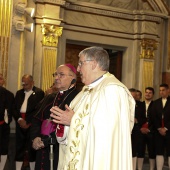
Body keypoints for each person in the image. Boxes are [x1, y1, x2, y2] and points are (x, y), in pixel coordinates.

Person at [50, 46, 135, 170]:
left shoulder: (112, 89)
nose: (78, 69)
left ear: (94, 64)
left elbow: (109, 130)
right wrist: (64, 124)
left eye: (80, 64)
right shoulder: (85, 91)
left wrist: (73, 120)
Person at [30, 64, 79, 170]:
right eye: (55, 74)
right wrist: (35, 138)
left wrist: (48, 140)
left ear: (73, 79)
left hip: (60, 148)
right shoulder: (49, 97)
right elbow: (36, 119)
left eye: (61, 75)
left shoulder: (78, 98)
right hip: (41, 145)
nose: (56, 78)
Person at [13, 74, 44, 170]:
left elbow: (38, 110)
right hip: (20, 123)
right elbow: (14, 108)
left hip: (32, 125)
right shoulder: (19, 93)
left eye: (26, 84)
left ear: (32, 83)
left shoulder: (39, 93)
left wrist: (29, 122)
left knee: (32, 149)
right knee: (19, 148)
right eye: (23, 84)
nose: (24, 86)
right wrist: (19, 119)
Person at [152, 83, 170, 170]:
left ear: (168, 91)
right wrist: (159, 128)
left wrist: (166, 128)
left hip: (169, 131)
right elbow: (153, 117)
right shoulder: (155, 103)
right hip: (158, 132)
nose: (161, 92)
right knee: (159, 151)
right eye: (160, 90)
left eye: (163, 90)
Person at [137, 87, 155, 170]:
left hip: (151, 131)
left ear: (153, 95)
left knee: (152, 151)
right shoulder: (140, 104)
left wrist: (149, 128)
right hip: (141, 131)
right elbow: (137, 117)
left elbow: (156, 118)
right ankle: (139, 168)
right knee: (140, 150)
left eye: (150, 92)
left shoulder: (156, 104)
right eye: (146, 92)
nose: (147, 94)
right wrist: (142, 127)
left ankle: (152, 168)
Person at [129, 88, 146, 170]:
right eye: (131, 96)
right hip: (125, 130)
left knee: (134, 150)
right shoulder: (123, 104)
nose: (133, 98)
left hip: (136, 130)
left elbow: (144, 118)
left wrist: (137, 120)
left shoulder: (141, 105)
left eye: (134, 96)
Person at [0, 74, 14, 170]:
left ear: (3, 81)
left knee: (3, 149)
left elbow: (11, 111)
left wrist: (6, 122)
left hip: (2, 126)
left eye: (0, 78)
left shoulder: (9, 94)